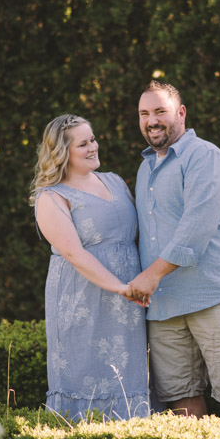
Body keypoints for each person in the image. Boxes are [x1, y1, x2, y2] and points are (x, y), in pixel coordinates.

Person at [128, 81, 220, 421]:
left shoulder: (205, 157)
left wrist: (150, 275)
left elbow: (195, 229)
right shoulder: (145, 170)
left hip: (215, 294)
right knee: (182, 402)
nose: (151, 121)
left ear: (181, 113)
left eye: (160, 111)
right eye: (144, 114)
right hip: (165, 306)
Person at [31, 114, 150, 422]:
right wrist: (119, 287)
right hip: (83, 297)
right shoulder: (52, 197)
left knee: (130, 376)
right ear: (62, 153)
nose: (93, 147)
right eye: (83, 144)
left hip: (130, 298)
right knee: (86, 373)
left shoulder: (114, 181)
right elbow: (73, 253)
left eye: (93, 139)